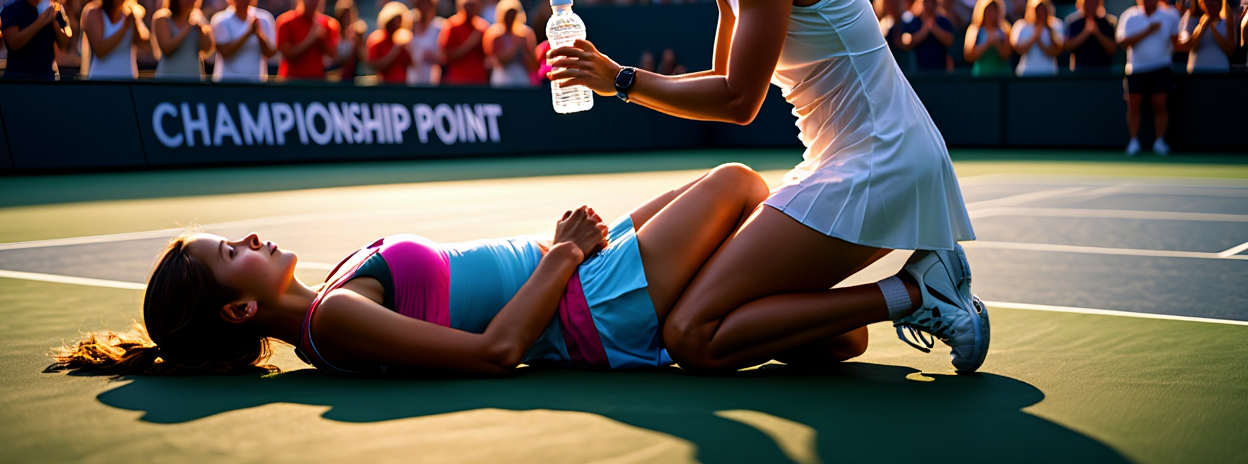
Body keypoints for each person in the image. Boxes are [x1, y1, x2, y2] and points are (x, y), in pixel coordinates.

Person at [547, 0, 985, 373]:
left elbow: (737, 102)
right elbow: (721, 79)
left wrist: (622, 81)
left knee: (693, 335)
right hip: (843, 165)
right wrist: (619, 76)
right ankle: (872, 303)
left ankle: (914, 291)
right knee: (826, 337)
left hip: (882, 165)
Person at [52, 164, 936, 376]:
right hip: (591, 302)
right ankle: (914, 285)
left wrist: (597, 234)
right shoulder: (332, 323)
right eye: (230, 255)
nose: (246, 239)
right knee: (741, 182)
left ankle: (879, 299)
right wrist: (565, 250)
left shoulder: (326, 293)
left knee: (838, 336)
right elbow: (496, 350)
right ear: (241, 313)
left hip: (591, 273)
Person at [1116, 0, 1181, 156]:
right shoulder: (1129, 16)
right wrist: (1147, 31)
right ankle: (1134, 141)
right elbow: (1122, 42)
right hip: (1136, 69)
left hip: (1161, 68)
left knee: (1159, 105)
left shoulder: (1169, 15)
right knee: (1133, 107)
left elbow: (1177, 43)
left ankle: (1160, 141)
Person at [0, 0, 71, 80]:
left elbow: (64, 44)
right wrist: (41, 22)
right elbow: (14, 43)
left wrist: (54, 22)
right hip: (17, 80)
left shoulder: (55, 8)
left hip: (47, 79)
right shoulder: (11, 9)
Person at [81, 0, 149, 79]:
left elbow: (145, 46)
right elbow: (100, 50)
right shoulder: (93, 12)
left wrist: (135, 24)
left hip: (128, 82)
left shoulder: (131, 13)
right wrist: (124, 28)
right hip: (101, 81)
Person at [211, 0, 276, 83]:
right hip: (227, 83)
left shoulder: (265, 18)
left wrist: (259, 35)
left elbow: (270, 53)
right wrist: (248, 33)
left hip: (256, 82)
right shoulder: (220, 20)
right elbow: (226, 53)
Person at [275, 0, 339, 80]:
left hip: (316, 83)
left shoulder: (329, 23)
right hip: (290, 82)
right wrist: (311, 38)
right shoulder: (285, 21)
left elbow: (333, 55)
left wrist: (322, 39)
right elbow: (287, 54)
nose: (315, 2)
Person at [153, 0, 214, 80]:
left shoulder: (199, 18)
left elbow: (207, 49)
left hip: (193, 81)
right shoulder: (162, 18)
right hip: (167, 81)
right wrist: (188, 25)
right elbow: (166, 48)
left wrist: (202, 31)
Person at [1062, 0, 1118, 72]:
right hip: (1080, 74)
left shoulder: (1108, 22)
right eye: (1088, 0)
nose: (1091, 3)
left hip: (1103, 74)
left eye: (1095, 0)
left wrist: (1097, 32)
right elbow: (1068, 46)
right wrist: (1086, 32)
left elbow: (1112, 49)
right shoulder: (1072, 22)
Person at [438, 0, 490, 85]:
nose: (469, 9)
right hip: (457, 80)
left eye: (473, 6)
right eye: (467, 6)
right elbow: (446, 56)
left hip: (479, 80)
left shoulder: (483, 27)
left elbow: (489, 56)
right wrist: (470, 43)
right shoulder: (452, 26)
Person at [1179, 0, 1234, 73]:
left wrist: (1212, 27)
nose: (1212, 2)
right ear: (1201, 0)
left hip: (1221, 75)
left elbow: (1230, 49)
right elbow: (1185, 46)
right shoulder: (1190, 18)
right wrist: (1204, 25)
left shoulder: (1227, 21)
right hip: (1197, 75)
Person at [484, 0, 537, 86]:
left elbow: (532, 62)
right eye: (508, 14)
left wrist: (524, 48)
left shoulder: (525, 33)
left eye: (513, 14)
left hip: (521, 76)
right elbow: (499, 59)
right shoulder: (495, 34)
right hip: (502, 77)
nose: (510, 18)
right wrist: (515, 46)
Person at [900, 0, 955, 71]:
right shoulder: (912, 20)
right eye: (926, 1)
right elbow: (906, 42)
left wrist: (935, 29)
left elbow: (950, 40)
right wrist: (924, 30)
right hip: (918, 72)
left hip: (940, 71)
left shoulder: (943, 21)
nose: (929, 4)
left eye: (932, 1)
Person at [1009, 0, 1064, 77]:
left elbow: (1058, 50)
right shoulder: (1021, 26)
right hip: (1027, 73)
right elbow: (1018, 49)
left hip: (1049, 73)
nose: (1040, 13)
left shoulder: (1056, 25)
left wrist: (1041, 42)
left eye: (1043, 9)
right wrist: (1034, 37)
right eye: (1037, 10)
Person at [963, 0, 1012, 76]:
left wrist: (997, 44)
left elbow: (1007, 55)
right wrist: (987, 43)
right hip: (982, 77)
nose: (990, 14)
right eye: (988, 10)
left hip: (1002, 77)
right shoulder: (975, 30)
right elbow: (968, 56)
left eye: (994, 10)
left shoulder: (1004, 30)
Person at [366, 1, 413, 84]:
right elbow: (373, 65)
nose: (396, 25)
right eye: (393, 21)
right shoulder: (377, 39)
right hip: (384, 86)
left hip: (403, 86)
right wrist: (395, 50)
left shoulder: (405, 39)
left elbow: (412, 63)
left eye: (399, 21)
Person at [407, 0, 445, 85]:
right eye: (420, 4)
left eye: (427, 4)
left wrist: (433, 57)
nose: (424, 8)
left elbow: (446, 56)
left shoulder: (441, 27)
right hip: (410, 79)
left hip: (432, 80)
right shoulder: (408, 25)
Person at [330, 0, 365, 81]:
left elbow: (364, 57)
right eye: (344, 14)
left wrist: (359, 43)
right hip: (334, 74)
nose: (347, 17)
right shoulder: (333, 30)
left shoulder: (357, 32)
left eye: (349, 14)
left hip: (352, 76)